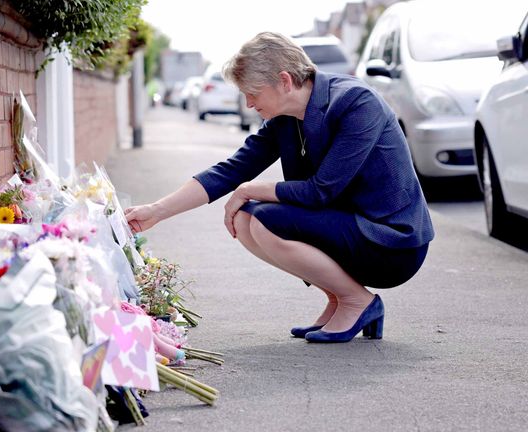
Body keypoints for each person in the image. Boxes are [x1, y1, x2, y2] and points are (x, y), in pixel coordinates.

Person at [124, 32, 434, 343]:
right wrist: (156, 211)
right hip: (349, 228)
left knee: (263, 219)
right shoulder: (285, 119)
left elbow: (321, 191)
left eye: (253, 92)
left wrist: (249, 189)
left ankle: (358, 302)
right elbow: (230, 170)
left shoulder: (356, 103)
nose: (248, 102)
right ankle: (340, 299)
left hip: (391, 241)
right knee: (245, 219)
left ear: (284, 81)